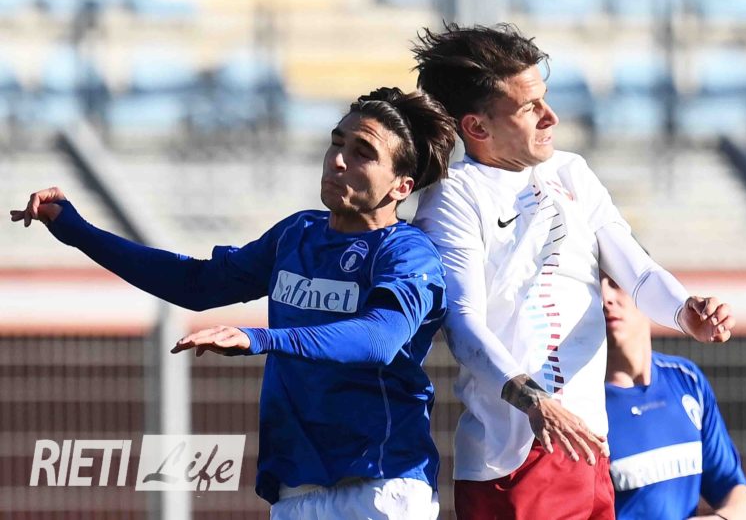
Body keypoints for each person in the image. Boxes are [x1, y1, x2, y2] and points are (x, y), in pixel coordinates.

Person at [10, 87, 457, 520]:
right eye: (337, 143)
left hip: (379, 485)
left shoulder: (406, 253)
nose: (338, 160)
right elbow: (195, 284)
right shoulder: (297, 234)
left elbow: (379, 338)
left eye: (363, 153)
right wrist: (76, 229)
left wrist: (260, 338)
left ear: (401, 186)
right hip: (295, 489)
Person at [411, 23, 735, 519]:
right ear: (476, 127)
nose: (551, 116)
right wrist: (534, 401)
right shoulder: (455, 195)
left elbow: (638, 271)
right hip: (516, 462)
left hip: (589, 448)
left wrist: (683, 310)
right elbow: (463, 323)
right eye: (529, 108)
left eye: (545, 98)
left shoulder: (572, 172)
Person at [602, 273, 746, 520]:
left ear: (648, 292)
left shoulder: (686, 380)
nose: (605, 297)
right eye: (594, 287)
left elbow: (737, 494)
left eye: (616, 282)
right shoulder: (580, 404)